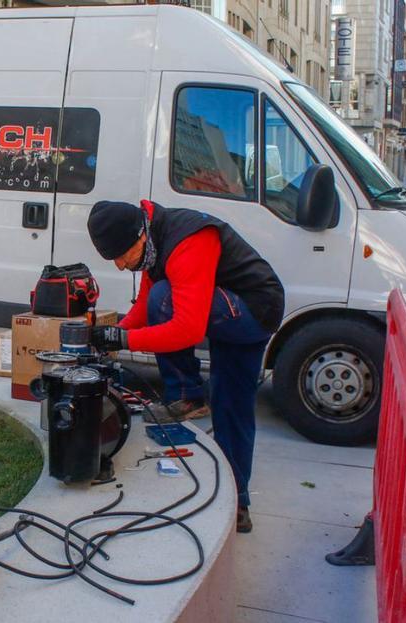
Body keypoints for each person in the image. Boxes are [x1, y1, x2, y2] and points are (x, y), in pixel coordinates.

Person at [85, 200, 284, 534]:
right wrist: (112, 334)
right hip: (224, 309)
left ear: (139, 237)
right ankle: (238, 504)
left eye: (121, 256)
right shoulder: (153, 241)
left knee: (166, 297)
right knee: (231, 405)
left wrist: (124, 342)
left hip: (253, 310)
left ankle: (188, 395)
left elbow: (186, 328)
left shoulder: (189, 241)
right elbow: (145, 310)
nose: (120, 266)